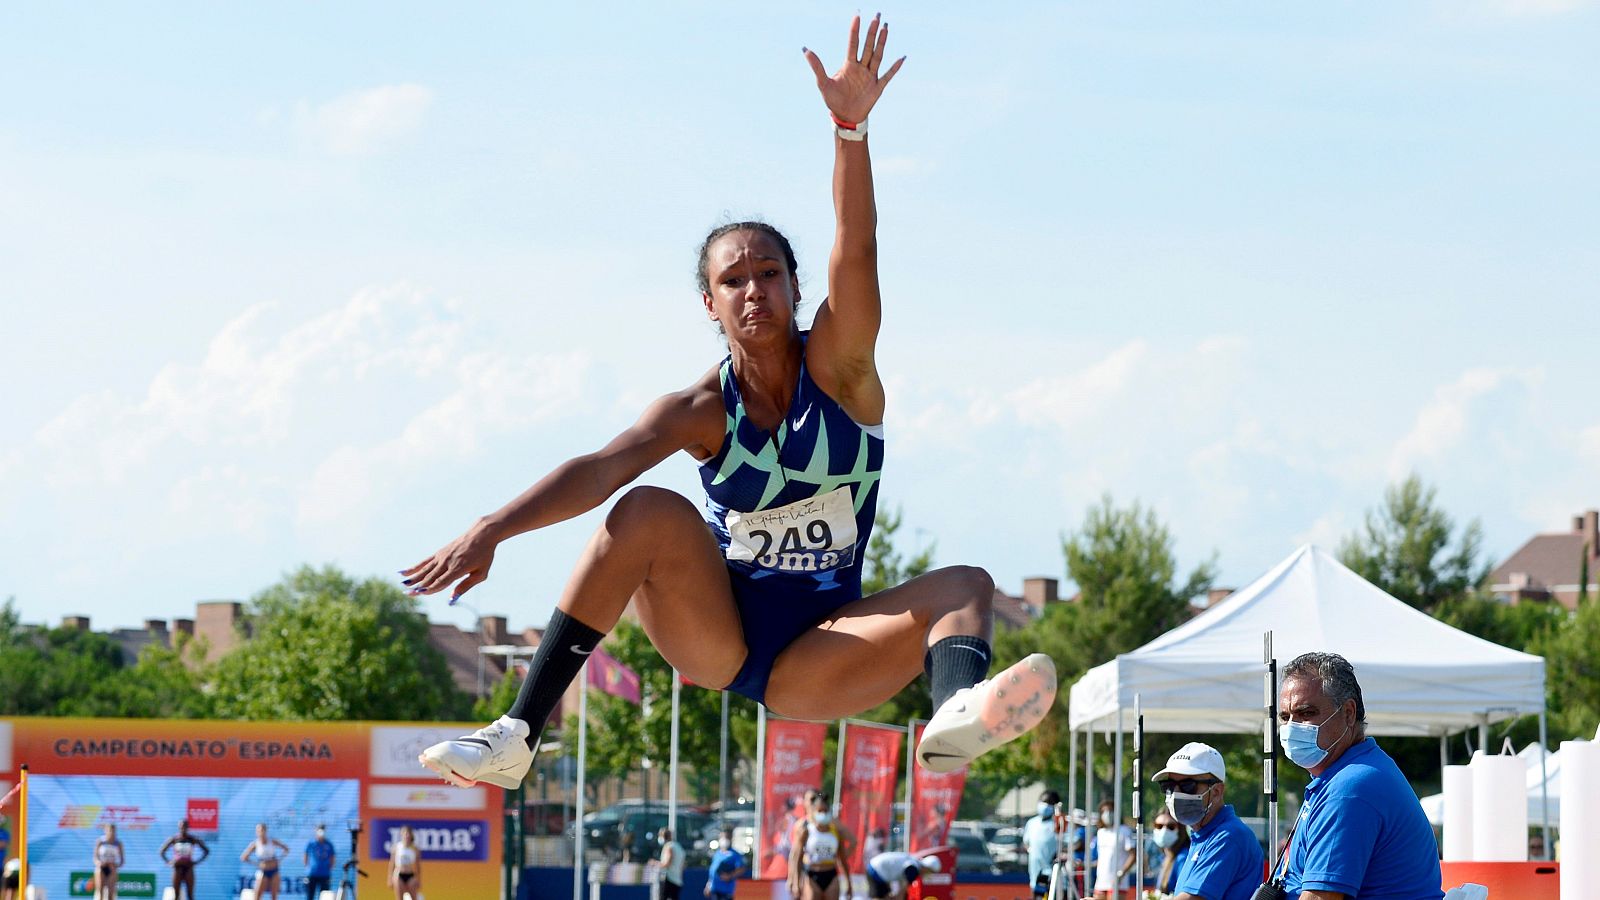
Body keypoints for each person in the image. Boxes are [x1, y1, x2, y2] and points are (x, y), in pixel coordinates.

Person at [406, 12, 1055, 792]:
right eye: (734, 280)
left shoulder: (843, 370)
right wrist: (493, 527)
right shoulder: (700, 409)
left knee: (967, 586)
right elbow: (597, 469)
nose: (755, 290)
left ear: (794, 287)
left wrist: (851, 131)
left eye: (770, 273)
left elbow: (859, 246)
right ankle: (517, 731)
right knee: (644, 508)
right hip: (720, 635)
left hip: (822, 650)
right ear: (709, 304)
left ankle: (957, 714)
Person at [1277, 653, 1442, 900]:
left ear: (1348, 713)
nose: (1292, 727)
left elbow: (1321, 897)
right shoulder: (1345, 775)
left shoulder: (1349, 789)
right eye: (1285, 717)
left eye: (1306, 713)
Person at [1152, 742, 1261, 900]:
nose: (1175, 794)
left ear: (1216, 791)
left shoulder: (1228, 836)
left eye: (1187, 785)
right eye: (1169, 786)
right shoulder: (1203, 835)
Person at [790, 794, 849, 900]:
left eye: (825, 811)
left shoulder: (835, 831)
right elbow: (797, 857)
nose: (823, 814)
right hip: (812, 875)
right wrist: (796, 882)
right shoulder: (806, 831)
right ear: (813, 812)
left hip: (831, 874)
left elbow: (842, 858)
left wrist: (848, 882)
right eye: (820, 811)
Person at [1022, 790, 1062, 896]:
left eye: (1049, 803)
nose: (1045, 805)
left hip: (1053, 876)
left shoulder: (1058, 824)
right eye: (1043, 801)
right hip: (1035, 873)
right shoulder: (1031, 823)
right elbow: (1026, 843)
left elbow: (1070, 843)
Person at [1091, 800, 1133, 898]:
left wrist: (1121, 873)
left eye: (1110, 810)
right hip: (1100, 882)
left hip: (1118, 883)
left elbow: (1133, 855)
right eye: (1104, 811)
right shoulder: (1100, 832)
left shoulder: (1124, 830)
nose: (1107, 814)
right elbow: (1103, 858)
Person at [159, 820, 210, 900]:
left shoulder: (192, 839)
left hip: (188, 868)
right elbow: (162, 852)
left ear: (187, 827)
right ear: (179, 827)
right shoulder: (175, 839)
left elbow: (206, 851)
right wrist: (169, 862)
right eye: (182, 826)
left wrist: (196, 862)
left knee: (190, 895)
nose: (183, 828)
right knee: (176, 895)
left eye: (185, 826)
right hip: (177, 868)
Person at [241, 823, 290, 900]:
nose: (261, 832)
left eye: (262, 830)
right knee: (257, 895)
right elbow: (244, 857)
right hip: (263, 871)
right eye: (258, 831)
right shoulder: (255, 844)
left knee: (274, 896)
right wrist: (257, 864)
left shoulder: (272, 841)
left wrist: (279, 860)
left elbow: (286, 849)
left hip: (274, 870)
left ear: (266, 831)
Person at [1150, 807, 1191, 897]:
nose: (1164, 831)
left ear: (1180, 829)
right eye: (1159, 826)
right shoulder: (1164, 857)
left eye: (1171, 827)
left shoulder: (1182, 858)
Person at [865, 851, 940, 900]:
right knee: (879, 897)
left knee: (885, 896)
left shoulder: (913, 862)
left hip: (877, 867)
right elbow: (902, 891)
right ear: (927, 868)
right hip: (876, 869)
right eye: (930, 872)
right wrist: (898, 896)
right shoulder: (914, 869)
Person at [705, 826, 747, 900]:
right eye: (723, 837)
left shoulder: (734, 854)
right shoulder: (717, 853)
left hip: (725, 891)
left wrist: (730, 875)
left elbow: (741, 869)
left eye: (727, 837)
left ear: (731, 838)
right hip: (714, 890)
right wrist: (708, 885)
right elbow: (713, 871)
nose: (724, 840)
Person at [386, 825, 422, 900]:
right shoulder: (396, 847)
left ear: (411, 835)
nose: (407, 836)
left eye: (408, 834)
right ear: (401, 835)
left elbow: (418, 866)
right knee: (399, 898)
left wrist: (419, 879)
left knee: (413, 897)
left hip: (410, 875)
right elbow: (392, 863)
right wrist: (390, 878)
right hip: (399, 874)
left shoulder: (415, 848)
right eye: (405, 834)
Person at [304, 824, 337, 900]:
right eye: (319, 830)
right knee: (310, 896)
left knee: (325, 896)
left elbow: (332, 858)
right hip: (312, 874)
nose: (321, 832)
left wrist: (329, 868)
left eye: (323, 830)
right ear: (316, 831)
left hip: (325, 874)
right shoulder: (311, 843)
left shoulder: (329, 844)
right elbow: (305, 856)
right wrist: (307, 868)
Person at [93, 823, 125, 900]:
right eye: (109, 830)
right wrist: (99, 863)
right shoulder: (100, 841)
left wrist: (115, 865)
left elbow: (122, 861)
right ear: (105, 831)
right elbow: (95, 858)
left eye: (113, 831)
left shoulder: (118, 843)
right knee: (100, 892)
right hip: (101, 868)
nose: (111, 833)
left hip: (112, 869)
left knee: (111, 894)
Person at [658, 827, 686, 900]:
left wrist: (655, 864)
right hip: (678, 879)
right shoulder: (678, 847)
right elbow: (683, 865)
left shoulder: (669, 847)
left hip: (668, 878)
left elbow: (667, 863)